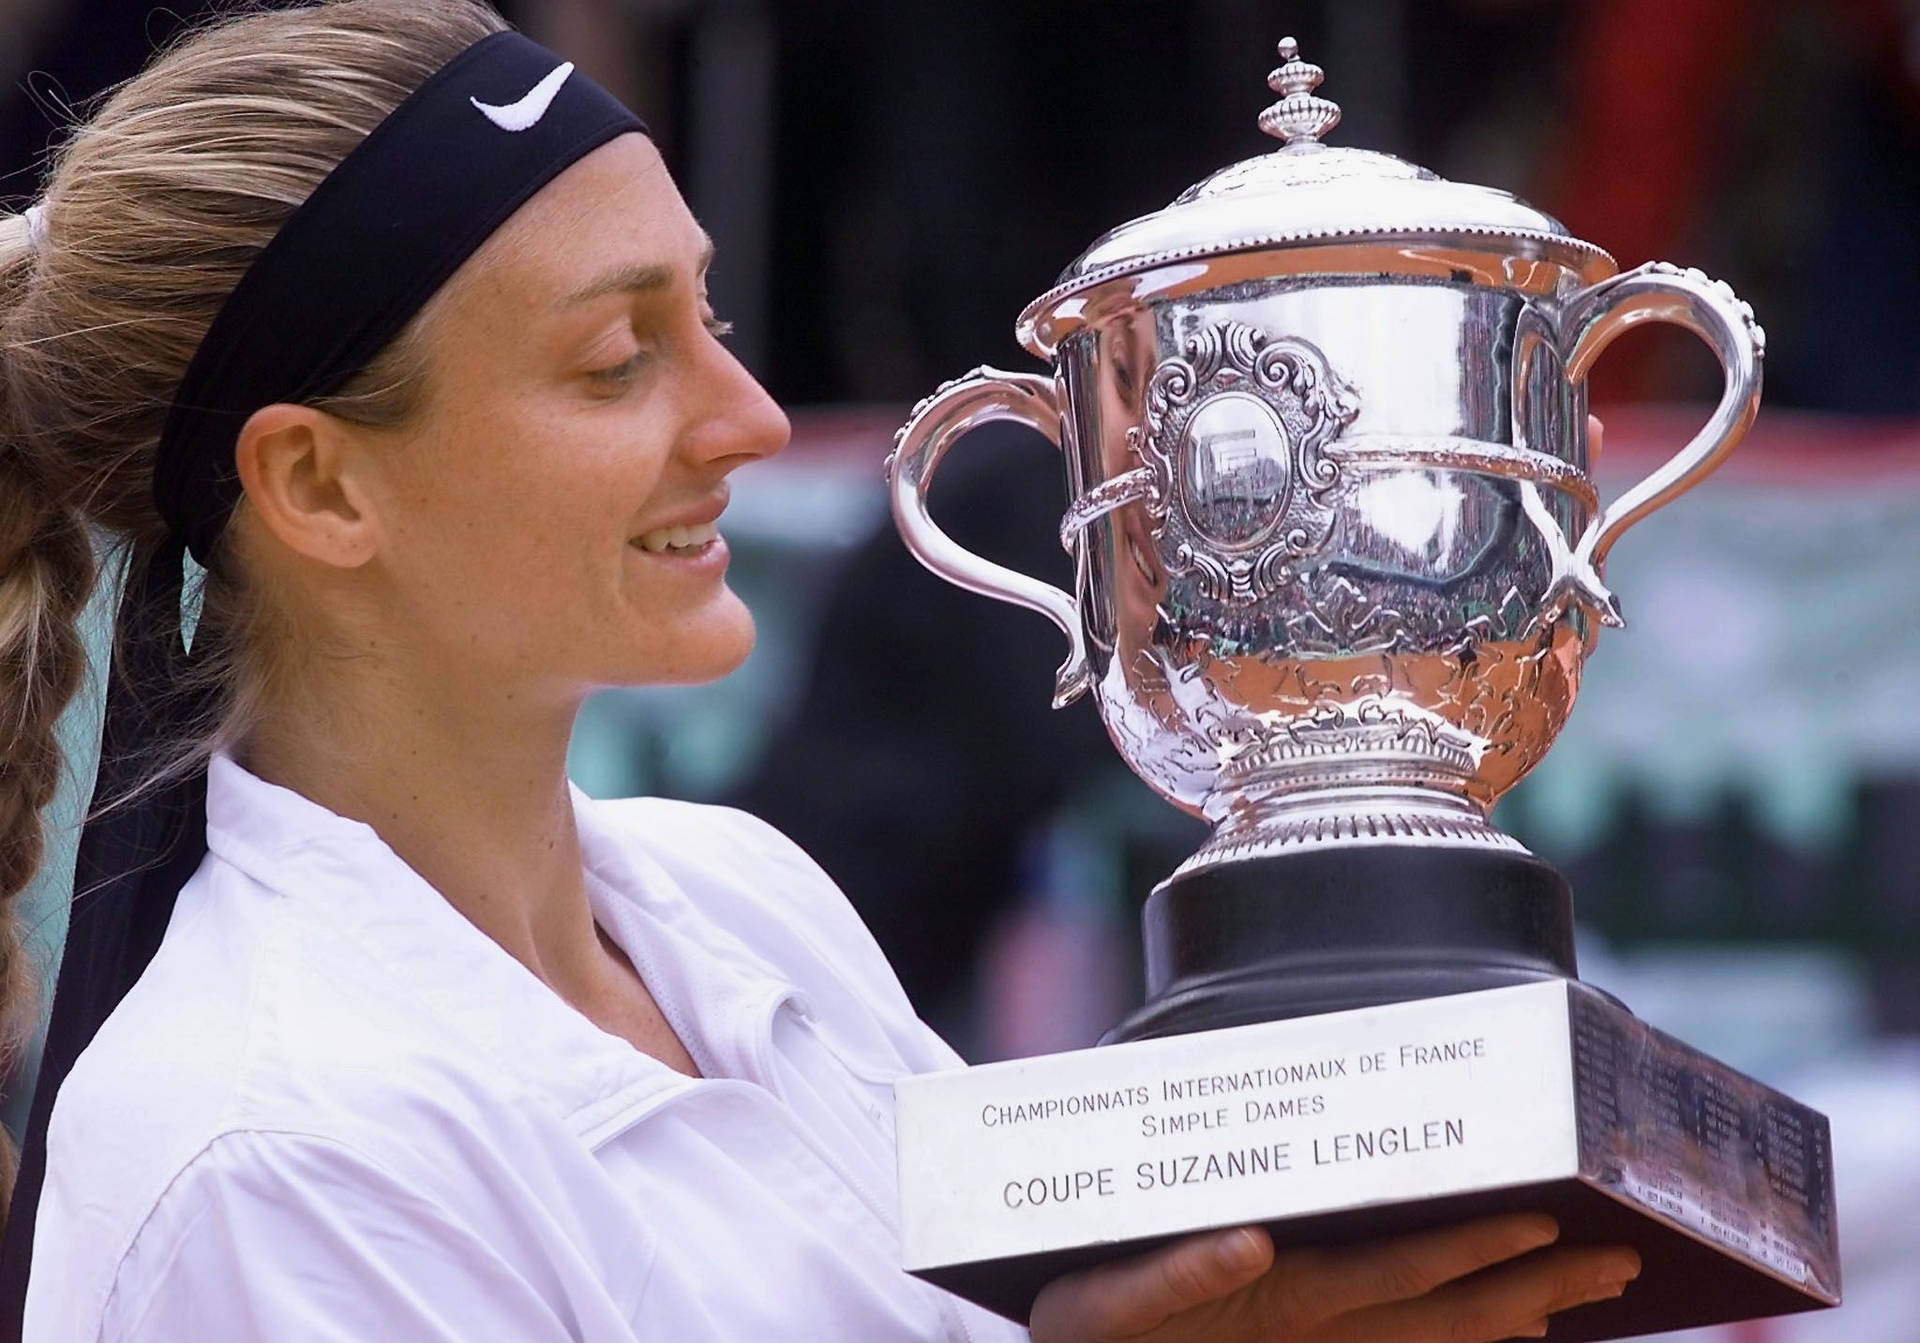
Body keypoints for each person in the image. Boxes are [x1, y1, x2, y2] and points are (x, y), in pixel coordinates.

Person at [0, 2, 1642, 1338]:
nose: (750, 421)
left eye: (709, 316)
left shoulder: (737, 896)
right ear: (319, 486)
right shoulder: (271, 1159)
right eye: (613, 360)